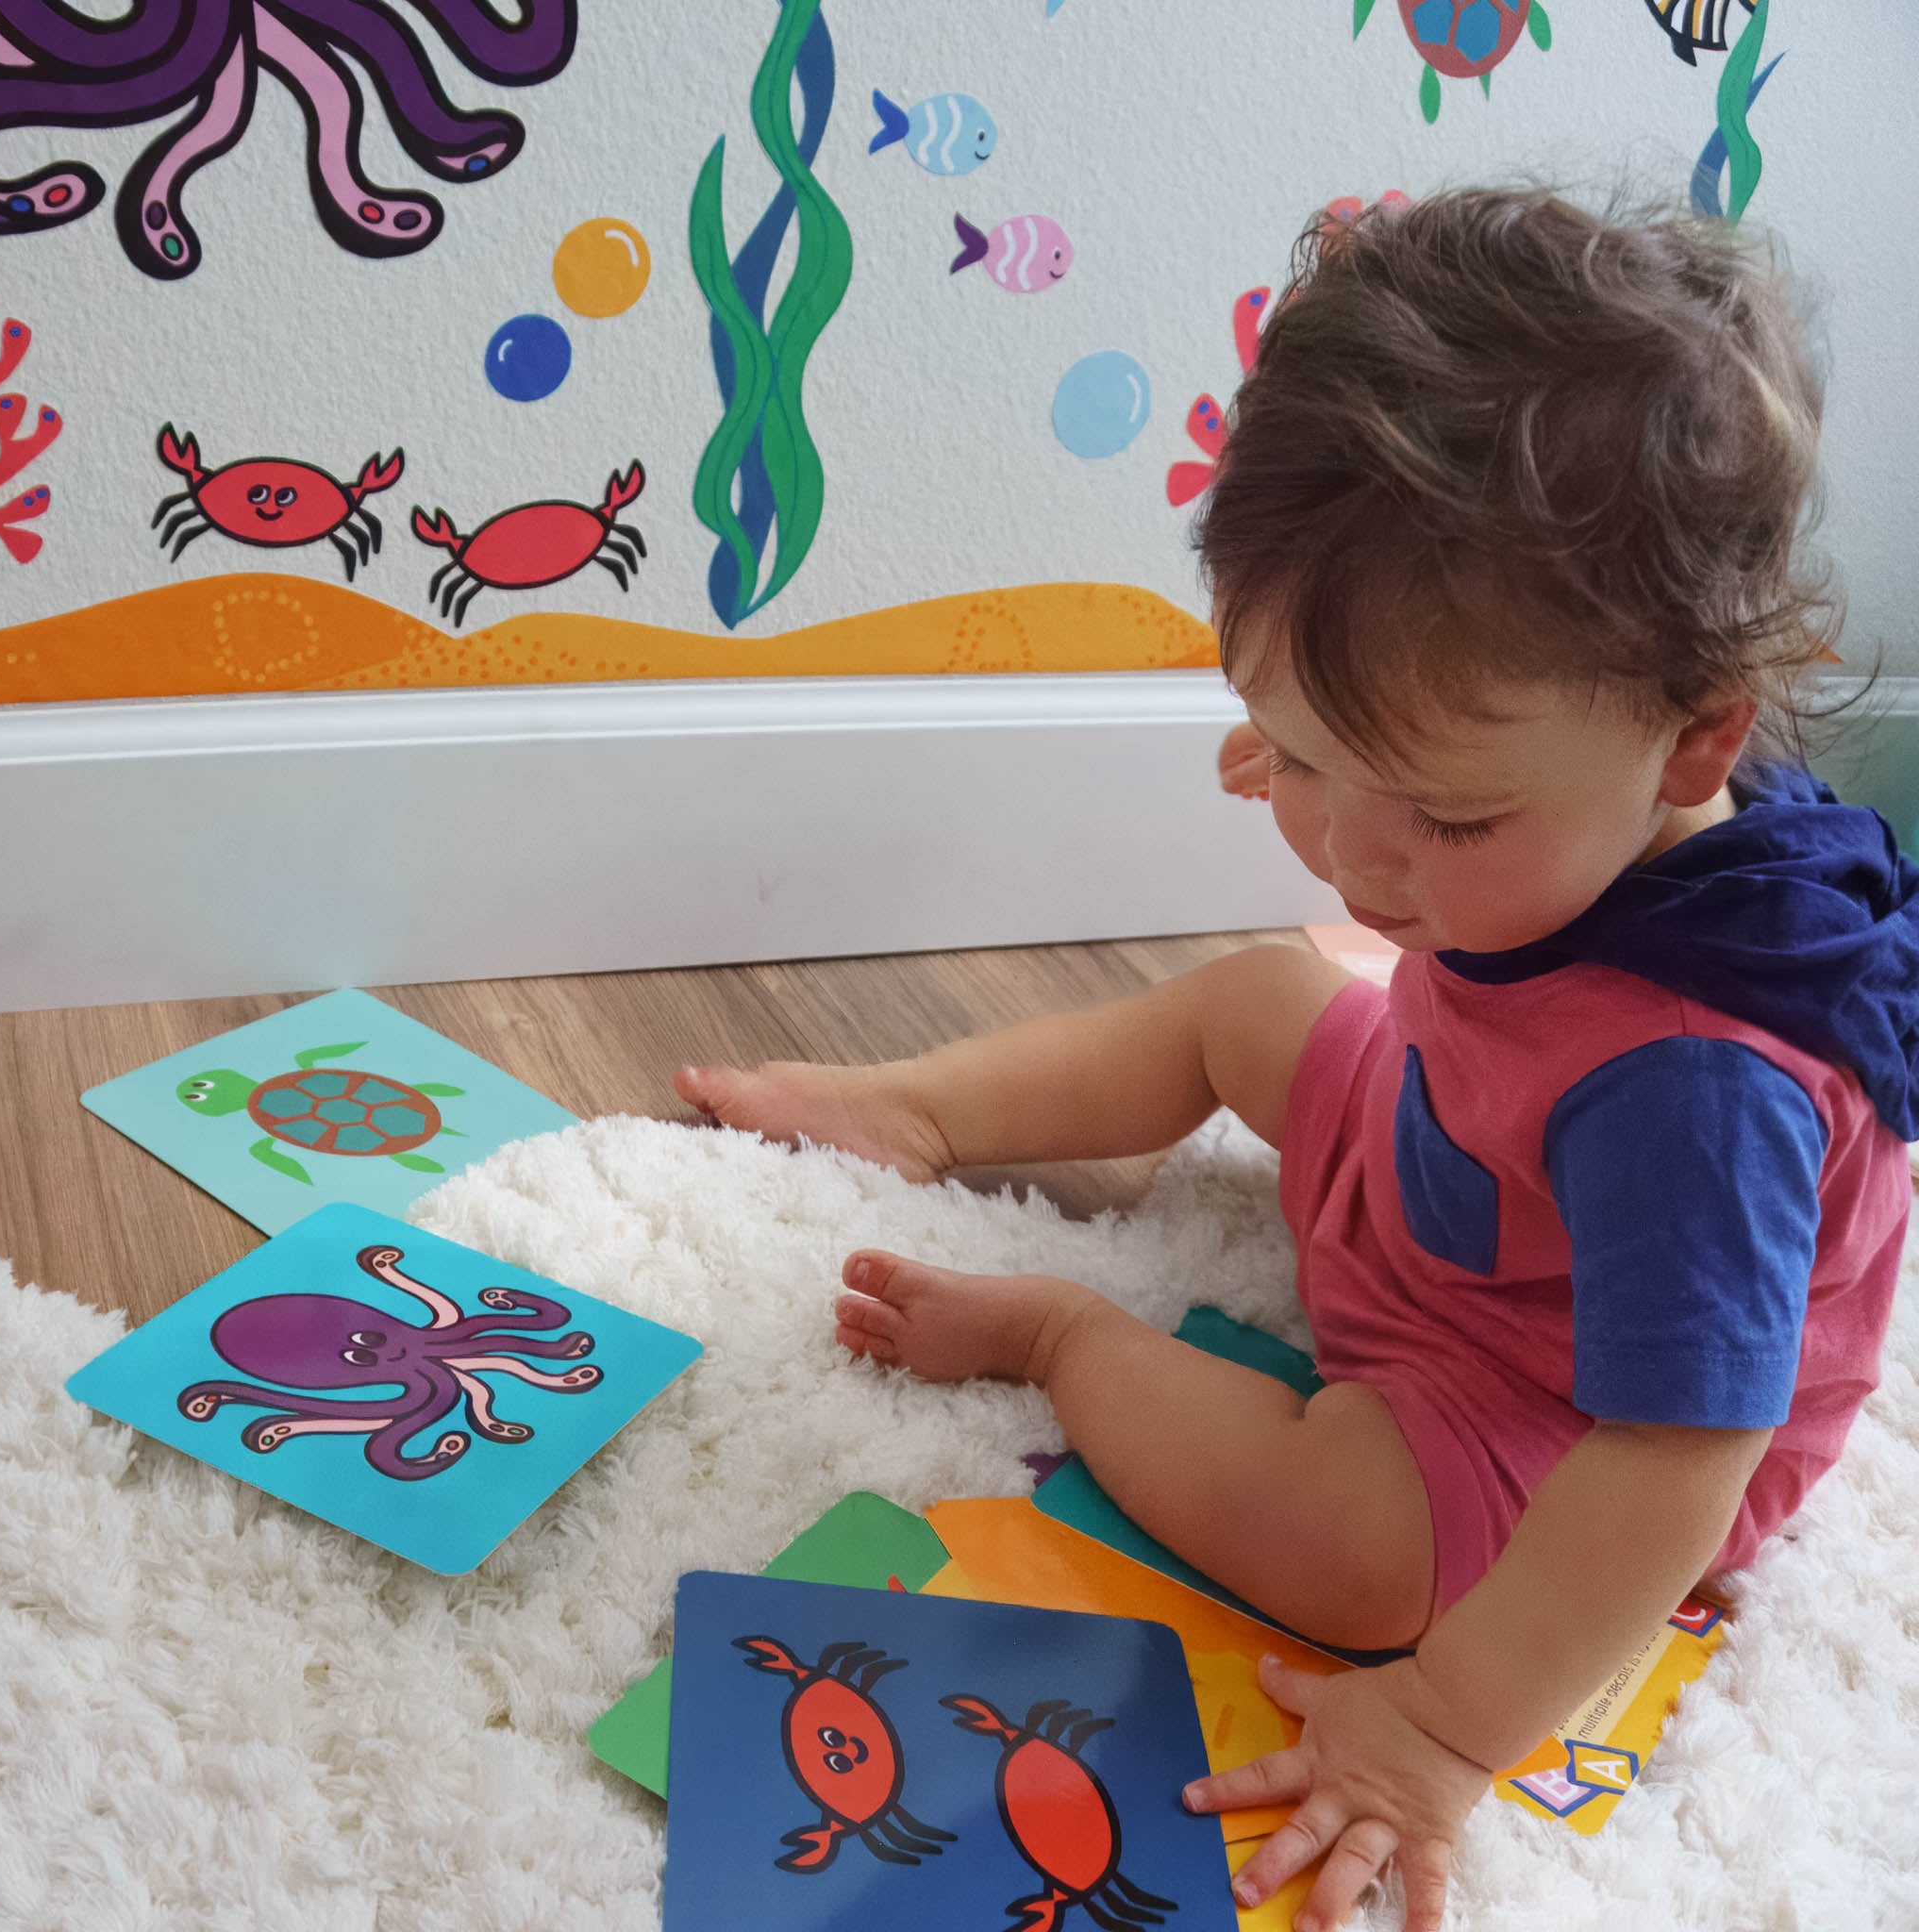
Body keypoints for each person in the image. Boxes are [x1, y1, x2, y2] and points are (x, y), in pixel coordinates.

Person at [675, 189, 1919, 1931]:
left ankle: (1067, 1333)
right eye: (1309, 749)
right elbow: (1400, 840)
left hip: (1554, 1413)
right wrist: (1341, 758)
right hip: (1454, 1164)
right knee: (1260, 991)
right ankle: (915, 1109)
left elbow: (1673, 1466)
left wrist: (1438, 1729)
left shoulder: (1698, 1090)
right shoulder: (1557, 790)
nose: (1354, 854)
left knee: (1356, 1563)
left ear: (1694, 735)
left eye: (1446, 813)